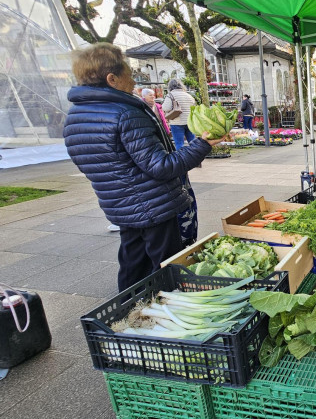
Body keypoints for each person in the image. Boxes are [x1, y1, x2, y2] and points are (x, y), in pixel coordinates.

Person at [63, 43, 225, 292]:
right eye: (129, 73)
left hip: (119, 205)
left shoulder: (75, 116)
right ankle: (166, 313)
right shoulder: (126, 113)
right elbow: (161, 167)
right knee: (166, 266)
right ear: (112, 78)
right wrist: (202, 145)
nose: (134, 80)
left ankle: (128, 311)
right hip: (153, 206)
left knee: (132, 262)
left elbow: (88, 163)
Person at [163, 78, 197, 149]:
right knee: (193, 142)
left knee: (179, 143)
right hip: (189, 122)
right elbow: (194, 107)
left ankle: (181, 159)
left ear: (170, 86)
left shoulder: (170, 95)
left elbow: (166, 108)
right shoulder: (188, 95)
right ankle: (196, 157)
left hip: (176, 122)